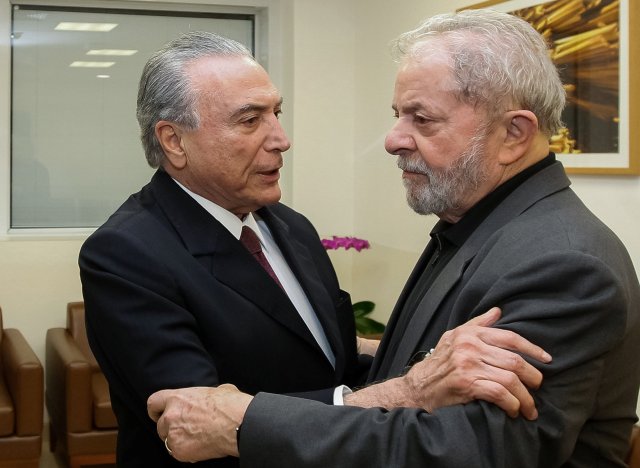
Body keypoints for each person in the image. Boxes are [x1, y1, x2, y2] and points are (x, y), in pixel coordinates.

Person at [147, 9, 640, 467]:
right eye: (398, 114)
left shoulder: (563, 264)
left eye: (421, 119)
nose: (392, 139)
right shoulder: (479, 224)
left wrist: (242, 422)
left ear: (513, 134)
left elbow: (471, 449)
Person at [80, 30, 549, 467]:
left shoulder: (289, 227)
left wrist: (422, 353)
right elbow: (199, 426)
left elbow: (328, 354)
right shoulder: (125, 254)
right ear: (174, 141)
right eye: (249, 120)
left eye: (275, 114)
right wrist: (408, 390)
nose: (281, 140)